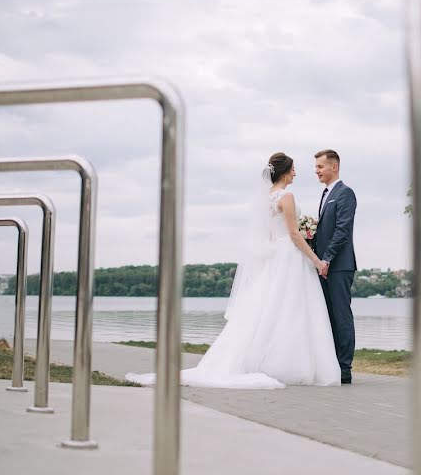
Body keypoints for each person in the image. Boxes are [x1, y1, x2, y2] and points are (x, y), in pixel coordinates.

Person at [125, 152, 340, 388]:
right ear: (285, 172)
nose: (296, 173)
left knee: (270, 309)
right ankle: (287, 363)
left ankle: (265, 361)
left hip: (275, 255)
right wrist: (317, 261)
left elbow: (271, 234)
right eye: (293, 169)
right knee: (290, 308)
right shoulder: (287, 196)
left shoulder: (268, 197)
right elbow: (293, 234)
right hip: (289, 255)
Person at [313, 149, 357, 384]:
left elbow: (342, 230)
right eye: (316, 168)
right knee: (327, 315)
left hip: (339, 266)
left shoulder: (345, 193)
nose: (317, 171)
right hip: (323, 266)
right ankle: (330, 365)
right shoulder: (325, 194)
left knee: (341, 316)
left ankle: (344, 369)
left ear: (334, 167)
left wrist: (327, 258)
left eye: (320, 167)